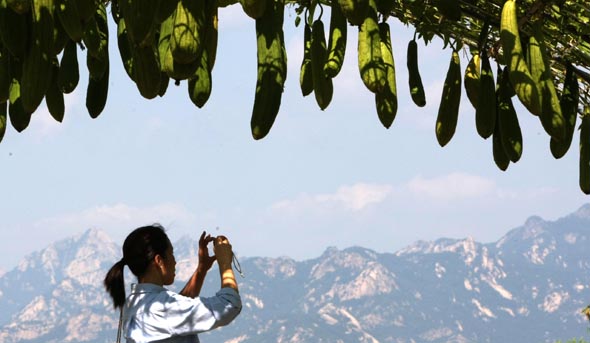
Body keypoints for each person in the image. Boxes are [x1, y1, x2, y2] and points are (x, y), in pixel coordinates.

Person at [104, 225, 242, 343]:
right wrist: (225, 262)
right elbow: (230, 305)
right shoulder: (160, 308)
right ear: (159, 261)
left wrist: (202, 269)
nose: (175, 262)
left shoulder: (135, 303)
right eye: (171, 254)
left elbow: (178, 310)